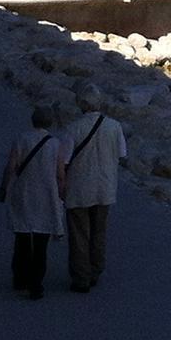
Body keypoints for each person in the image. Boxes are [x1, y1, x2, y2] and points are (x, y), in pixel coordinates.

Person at [58, 103, 128, 293]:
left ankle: (81, 277)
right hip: (105, 187)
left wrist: (61, 185)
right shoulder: (114, 126)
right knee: (99, 232)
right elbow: (122, 154)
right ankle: (95, 270)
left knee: (80, 234)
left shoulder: (73, 128)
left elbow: (63, 161)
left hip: (79, 187)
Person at [0, 108, 67, 299]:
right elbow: (60, 174)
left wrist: (3, 188)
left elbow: (11, 167)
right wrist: (62, 194)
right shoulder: (55, 144)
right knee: (40, 242)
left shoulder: (22, 139)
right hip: (46, 195)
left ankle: (19, 278)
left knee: (21, 238)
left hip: (23, 193)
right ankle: (36, 283)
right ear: (50, 123)